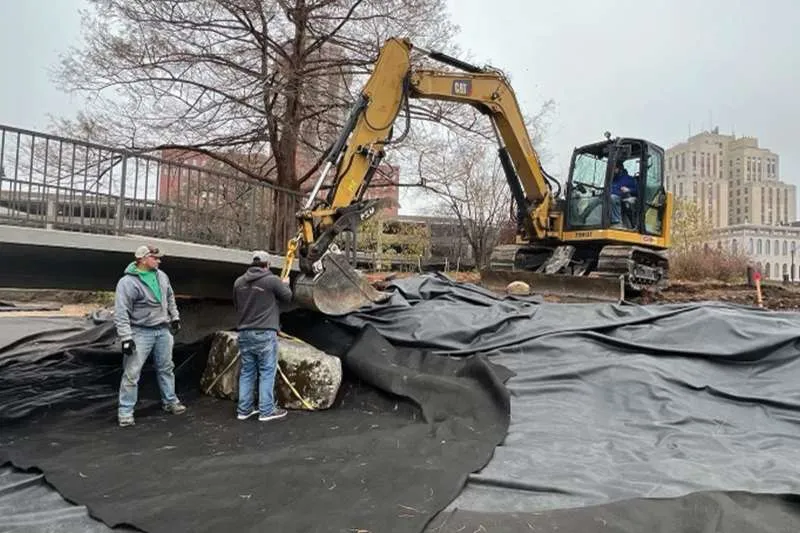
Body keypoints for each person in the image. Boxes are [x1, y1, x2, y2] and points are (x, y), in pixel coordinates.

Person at [113, 245, 186, 428]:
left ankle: (170, 401)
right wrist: (126, 338)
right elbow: (121, 312)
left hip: (163, 329)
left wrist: (174, 317)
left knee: (166, 367)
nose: (159, 261)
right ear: (143, 259)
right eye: (155, 258)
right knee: (132, 373)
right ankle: (125, 412)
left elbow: (170, 297)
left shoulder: (162, 276)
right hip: (140, 331)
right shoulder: (127, 283)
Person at [233, 250, 293, 422]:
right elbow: (287, 297)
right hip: (265, 332)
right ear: (267, 265)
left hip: (244, 332)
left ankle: (244, 410)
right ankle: (266, 411)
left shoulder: (238, 282)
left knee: (247, 372)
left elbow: (237, 305)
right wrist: (286, 284)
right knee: (267, 371)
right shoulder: (272, 280)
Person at [610, 160, 638, 227]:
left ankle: (617, 222)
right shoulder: (612, 179)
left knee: (613, 198)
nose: (613, 171)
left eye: (614, 168)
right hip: (611, 197)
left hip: (623, 197)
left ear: (619, 169)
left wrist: (629, 189)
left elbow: (638, 190)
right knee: (597, 200)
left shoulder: (629, 179)